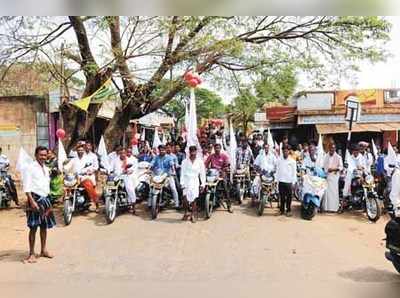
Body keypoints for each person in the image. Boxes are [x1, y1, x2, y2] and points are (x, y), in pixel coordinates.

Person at [23, 146, 56, 263]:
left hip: (46, 200)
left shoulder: (46, 169)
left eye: (45, 155)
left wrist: (50, 201)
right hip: (35, 200)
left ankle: (43, 250)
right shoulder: (30, 168)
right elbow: (26, 187)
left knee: (44, 226)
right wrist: (32, 201)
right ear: (36, 155)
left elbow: (46, 185)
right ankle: (31, 253)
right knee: (33, 227)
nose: (43, 157)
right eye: (41, 155)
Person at [65, 145, 99, 211]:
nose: (80, 151)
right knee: (67, 183)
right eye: (79, 150)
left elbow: (91, 166)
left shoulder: (87, 159)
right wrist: (64, 169)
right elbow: (67, 166)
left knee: (89, 185)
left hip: (85, 176)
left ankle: (96, 203)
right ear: (76, 151)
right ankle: (67, 203)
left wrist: (89, 171)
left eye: (81, 150)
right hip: (75, 177)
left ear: (83, 151)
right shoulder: (74, 159)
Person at [180, 146, 206, 223]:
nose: (193, 153)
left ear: (196, 152)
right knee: (185, 199)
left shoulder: (200, 162)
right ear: (189, 152)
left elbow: (202, 174)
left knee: (194, 199)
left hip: (195, 181)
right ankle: (186, 213)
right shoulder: (184, 161)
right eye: (191, 151)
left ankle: (193, 214)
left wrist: (202, 184)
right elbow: (182, 173)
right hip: (186, 181)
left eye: (194, 151)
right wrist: (182, 183)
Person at [205, 143, 232, 212]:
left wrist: (225, 169)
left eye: (218, 148)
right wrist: (205, 169)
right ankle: (204, 204)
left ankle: (229, 206)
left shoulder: (224, 156)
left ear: (220, 149)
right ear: (214, 149)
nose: (217, 149)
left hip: (221, 174)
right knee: (204, 186)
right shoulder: (211, 156)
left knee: (225, 188)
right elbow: (206, 164)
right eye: (216, 148)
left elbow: (227, 165)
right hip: (212, 174)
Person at [110, 148, 138, 213]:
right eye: (121, 153)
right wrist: (107, 171)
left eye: (124, 153)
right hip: (116, 177)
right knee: (108, 187)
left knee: (130, 189)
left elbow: (132, 168)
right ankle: (107, 203)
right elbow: (110, 167)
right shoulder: (115, 160)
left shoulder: (128, 160)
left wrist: (130, 171)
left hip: (125, 176)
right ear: (119, 153)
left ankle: (133, 206)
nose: (122, 154)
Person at [276, 145, 297, 216]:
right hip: (281, 181)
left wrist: (294, 182)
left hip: (289, 182)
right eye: (284, 151)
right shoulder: (279, 160)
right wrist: (276, 180)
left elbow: (294, 172)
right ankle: (281, 210)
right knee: (282, 197)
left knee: (289, 197)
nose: (285, 152)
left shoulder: (292, 161)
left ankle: (288, 210)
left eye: (286, 151)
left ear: (289, 152)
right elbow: (277, 170)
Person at [323, 143, 343, 212]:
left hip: (334, 177)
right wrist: (327, 170)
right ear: (329, 148)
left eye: (333, 148)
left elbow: (341, 167)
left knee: (334, 192)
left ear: (335, 149)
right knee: (327, 192)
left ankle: (334, 208)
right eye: (331, 148)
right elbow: (324, 166)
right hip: (327, 176)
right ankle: (327, 208)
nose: (332, 149)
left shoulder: (338, 157)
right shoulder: (326, 156)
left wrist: (333, 169)